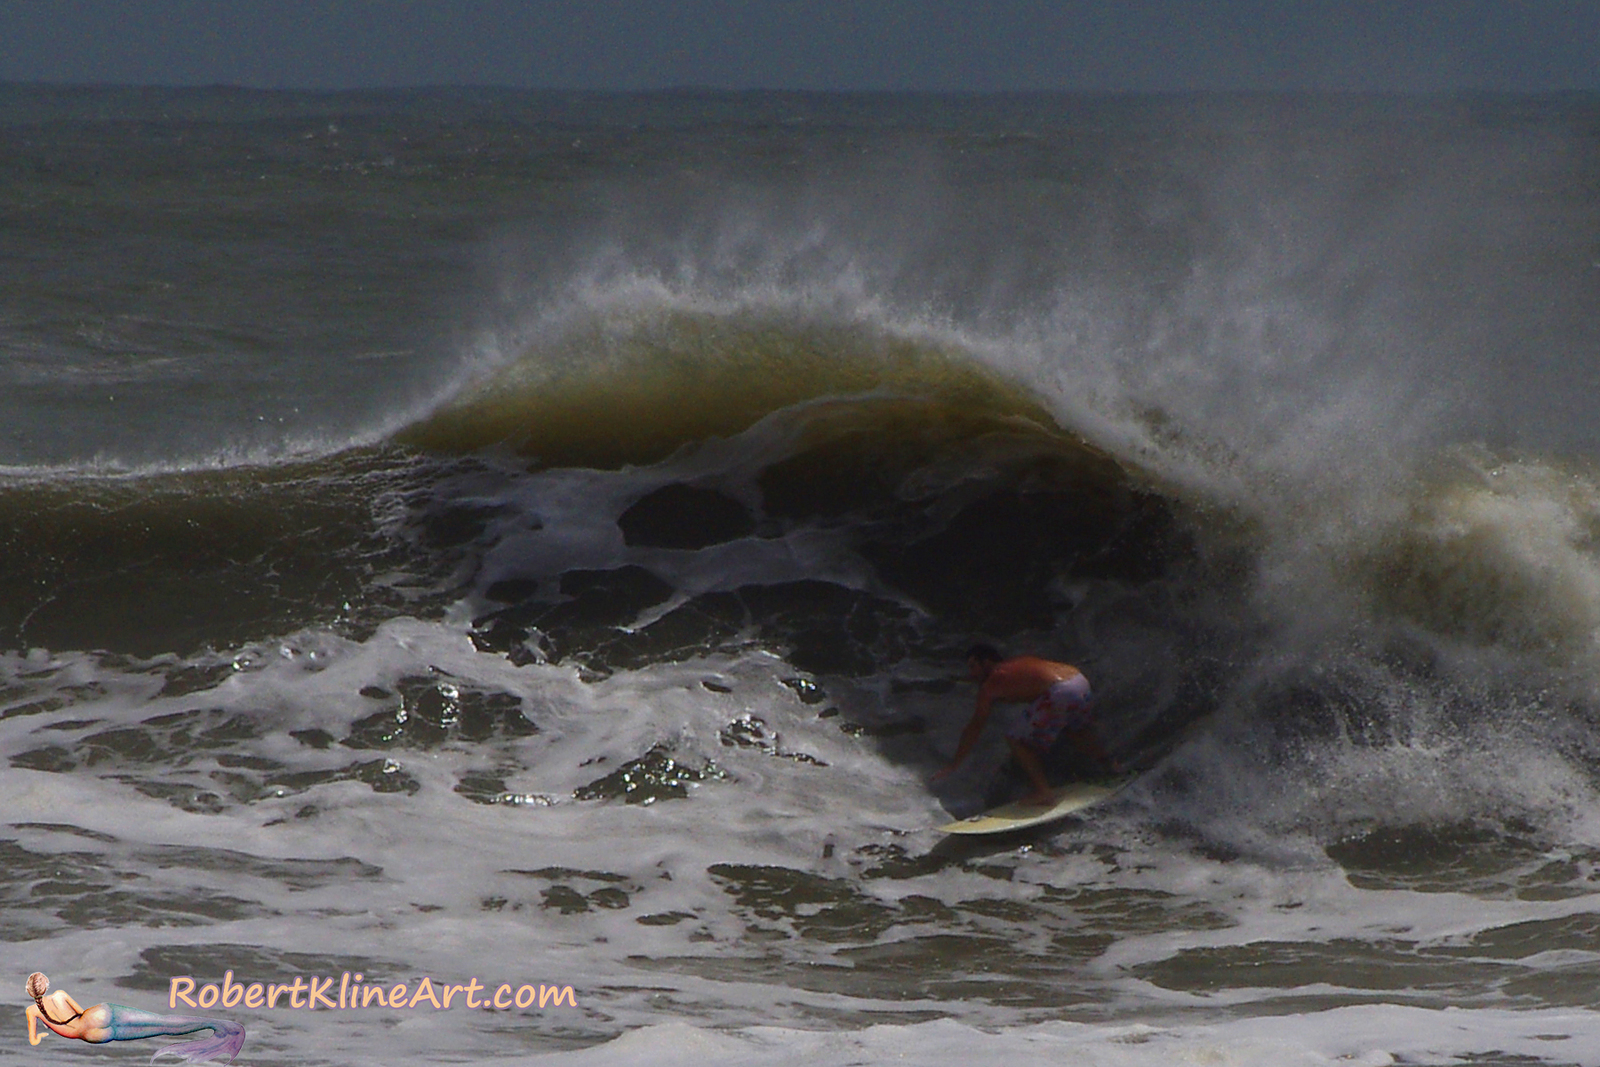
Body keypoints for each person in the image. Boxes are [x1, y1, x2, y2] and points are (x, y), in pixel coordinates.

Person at [933, 644, 1118, 805]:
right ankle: (1112, 766)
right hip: (1079, 681)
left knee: (1015, 739)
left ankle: (1044, 792)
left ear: (987, 662)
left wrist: (954, 764)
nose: (971, 673)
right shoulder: (1020, 663)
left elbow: (975, 726)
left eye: (973, 666)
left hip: (1060, 691)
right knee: (1075, 730)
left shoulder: (994, 680)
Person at [25, 971, 245, 1063]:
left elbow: (34, 1039)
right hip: (95, 1016)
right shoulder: (60, 995)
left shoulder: (32, 1011)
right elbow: (79, 1012)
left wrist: (43, 1036)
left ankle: (215, 1031)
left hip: (92, 1035)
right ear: (45, 985)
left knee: (160, 1030)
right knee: (163, 1021)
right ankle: (216, 1025)